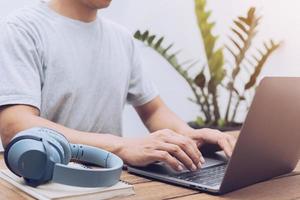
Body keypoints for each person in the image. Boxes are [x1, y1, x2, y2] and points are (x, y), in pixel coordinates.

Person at [0, 0, 236, 172]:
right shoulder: (22, 29)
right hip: (51, 180)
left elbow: (153, 110)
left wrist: (189, 136)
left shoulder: (121, 37)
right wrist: (122, 147)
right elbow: (16, 126)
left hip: (114, 179)